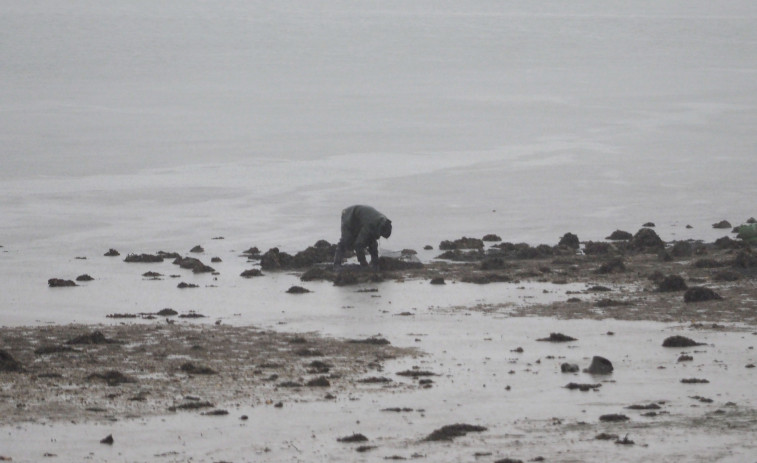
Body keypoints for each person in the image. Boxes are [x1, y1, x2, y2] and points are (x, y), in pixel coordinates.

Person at [333, 205, 392, 270]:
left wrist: (375, 262)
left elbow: (372, 241)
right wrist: (363, 263)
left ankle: (374, 262)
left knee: (371, 240)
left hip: (362, 218)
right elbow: (358, 244)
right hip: (349, 216)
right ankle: (336, 264)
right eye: (381, 235)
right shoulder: (370, 224)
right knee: (346, 240)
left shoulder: (384, 222)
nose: (380, 236)